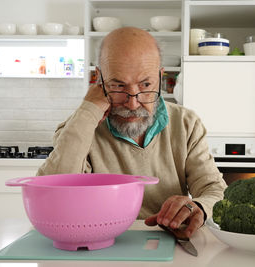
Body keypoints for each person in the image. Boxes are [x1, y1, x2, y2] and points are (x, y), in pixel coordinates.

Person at [37, 27, 226, 237]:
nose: (133, 103)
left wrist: (198, 207)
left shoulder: (186, 124)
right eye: (118, 85)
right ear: (99, 79)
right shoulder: (79, 127)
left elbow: (214, 191)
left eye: (145, 84)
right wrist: (87, 113)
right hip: (100, 243)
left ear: (160, 77)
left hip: (171, 242)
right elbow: (52, 197)